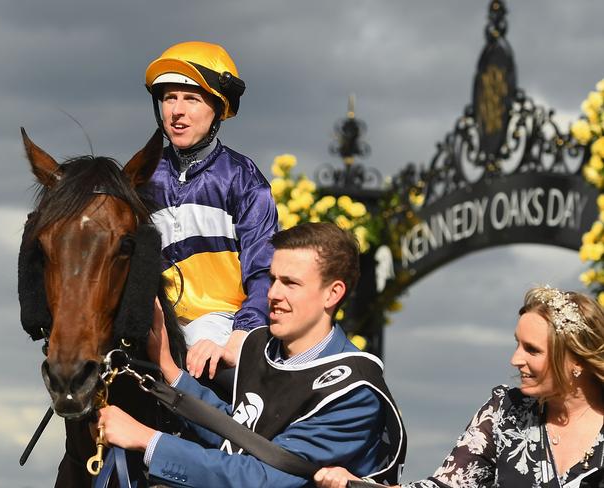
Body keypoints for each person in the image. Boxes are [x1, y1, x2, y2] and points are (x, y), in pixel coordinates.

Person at [98, 222, 407, 487]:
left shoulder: (354, 391)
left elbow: (262, 477)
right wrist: (170, 371)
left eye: (290, 283)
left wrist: (147, 440)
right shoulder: (261, 345)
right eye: (273, 279)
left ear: (333, 293)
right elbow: (239, 437)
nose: (273, 294)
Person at [314, 286, 604, 488]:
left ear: (574, 360)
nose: (515, 359)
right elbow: (443, 486)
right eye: (517, 344)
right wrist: (355, 485)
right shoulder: (504, 412)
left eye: (532, 350)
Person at [141, 41, 278, 380]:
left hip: (219, 323)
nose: (177, 110)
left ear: (218, 108)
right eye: (169, 98)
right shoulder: (143, 176)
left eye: (191, 98)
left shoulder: (244, 179)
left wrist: (241, 335)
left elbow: (264, 272)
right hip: (151, 318)